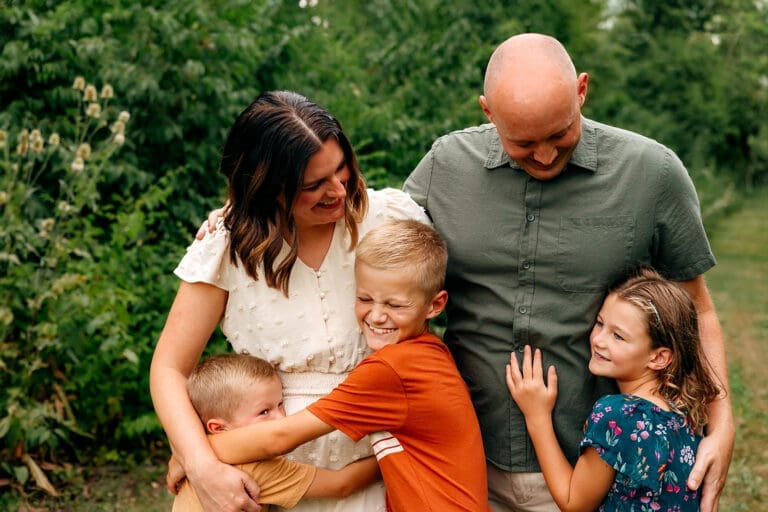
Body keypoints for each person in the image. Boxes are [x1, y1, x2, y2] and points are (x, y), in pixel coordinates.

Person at [402, 33, 734, 511]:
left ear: (581, 91)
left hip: (595, 472)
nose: (544, 156)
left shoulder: (652, 173)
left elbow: (696, 310)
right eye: (523, 142)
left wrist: (722, 426)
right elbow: (384, 268)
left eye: (560, 135)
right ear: (487, 111)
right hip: (463, 460)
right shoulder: (445, 167)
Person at [150, 91, 429, 512]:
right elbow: (169, 368)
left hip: (385, 444)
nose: (337, 191)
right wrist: (201, 463)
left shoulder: (388, 219)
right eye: (313, 185)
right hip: (277, 468)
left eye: (341, 170)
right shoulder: (230, 246)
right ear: (267, 188)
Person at [199, 219, 489, 512]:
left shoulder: (391, 369)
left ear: (436, 305)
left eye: (395, 305)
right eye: (365, 298)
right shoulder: (428, 353)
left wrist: (192, 457)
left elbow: (280, 437)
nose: (376, 316)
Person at [506, 267, 721, 511]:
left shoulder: (619, 414)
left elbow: (573, 502)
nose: (598, 340)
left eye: (618, 336)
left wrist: (537, 417)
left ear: (659, 357)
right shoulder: (685, 415)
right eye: (599, 323)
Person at [174, 353, 381, 512]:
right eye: (264, 412)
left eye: (281, 404)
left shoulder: (195, 449)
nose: (281, 419)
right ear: (218, 428)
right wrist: (395, 449)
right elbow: (342, 485)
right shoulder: (255, 469)